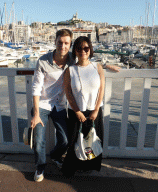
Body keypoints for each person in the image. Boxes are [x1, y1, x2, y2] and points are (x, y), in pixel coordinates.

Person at [30, 29, 74, 182]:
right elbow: (36, 87)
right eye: (60, 42)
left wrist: (106, 67)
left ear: (70, 44)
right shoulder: (43, 61)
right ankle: (40, 166)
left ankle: (55, 156)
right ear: (55, 42)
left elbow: (88, 63)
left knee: (65, 140)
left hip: (60, 105)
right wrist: (35, 114)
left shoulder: (72, 61)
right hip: (42, 105)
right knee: (39, 139)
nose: (63, 46)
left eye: (66, 43)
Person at [62, 36, 105, 177]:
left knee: (93, 140)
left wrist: (96, 109)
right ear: (75, 50)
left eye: (86, 48)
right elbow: (68, 92)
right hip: (77, 111)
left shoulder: (97, 67)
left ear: (90, 49)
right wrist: (77, 111)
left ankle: (90, 165)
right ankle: (74, 166)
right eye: (79, 48)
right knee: (75, 141)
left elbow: (101, 90)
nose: (83, 51)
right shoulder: (70, 70)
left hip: (94, 110)